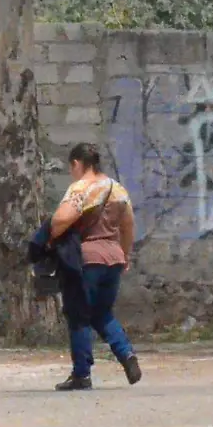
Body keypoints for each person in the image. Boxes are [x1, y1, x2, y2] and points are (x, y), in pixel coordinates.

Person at [47, 143, 141, 391]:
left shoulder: (81, 188)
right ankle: (127, 355)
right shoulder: (118, 189)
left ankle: (82, 374)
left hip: (87, 259)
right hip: (113, 257)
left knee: (78, 316)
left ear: (77, 164)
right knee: (102, 312)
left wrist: (54, 238)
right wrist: (125, 253)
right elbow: (128, 225)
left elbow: (59, 221)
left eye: (72, 168)